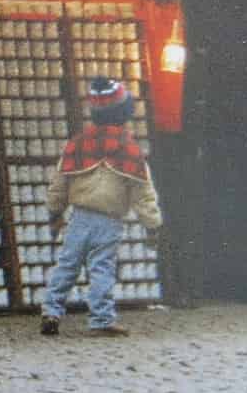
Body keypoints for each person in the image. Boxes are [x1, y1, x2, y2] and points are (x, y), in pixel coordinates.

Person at [41, 76, 164, 338]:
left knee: (66, 265)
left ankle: (51, 311)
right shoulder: (129, 149)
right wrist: (152, 226)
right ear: (123, 113)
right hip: (109, 221)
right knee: (102, 269)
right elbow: (143, 192)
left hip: (79, 218)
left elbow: (60, 183)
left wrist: (54, 213)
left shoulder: (77, 143)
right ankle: (100, 319)